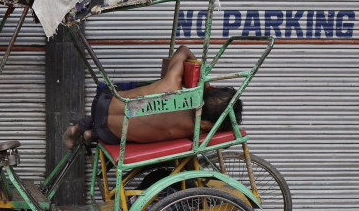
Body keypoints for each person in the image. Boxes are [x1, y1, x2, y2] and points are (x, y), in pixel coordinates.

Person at [63, 45, 243, 148]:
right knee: (134, 122)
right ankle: (91, 133)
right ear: (210, 124)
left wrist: (203, 83)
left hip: (103, 103)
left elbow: (183, 50)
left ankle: (82, 127)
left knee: (132, 102)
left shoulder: (171, 86)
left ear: (210, 91)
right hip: (110, 134)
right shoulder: (196, 129)